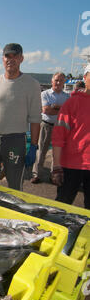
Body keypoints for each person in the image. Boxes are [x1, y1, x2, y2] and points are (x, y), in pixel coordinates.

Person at [0, 43, 42, 191]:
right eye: (7, 56)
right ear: (2, 59)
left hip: (15, 141)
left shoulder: (32, 85)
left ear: (21, 59)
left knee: (14, 185)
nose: (10, 60)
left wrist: (33, 146)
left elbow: (35, 119)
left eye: (15, 56)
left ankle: (13, 213)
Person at [51, 64, 90, 209]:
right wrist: (56, 166)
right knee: (62, 206)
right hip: (71, 165)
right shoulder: (72, 103)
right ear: (85, 78)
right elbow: (58, 136)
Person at [31, 72, 69, 183]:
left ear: (64, 82)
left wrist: (55, 107)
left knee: (56, 153)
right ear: (52, 81)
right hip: (46, 126)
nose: (58, 82)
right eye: (56, 80)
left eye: (61, 80)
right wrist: (61, 109)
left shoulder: (67, 96)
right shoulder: (45, 94)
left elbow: (69, 112)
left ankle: (54, 175)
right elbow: (46, 110)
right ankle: (36, 174)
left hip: (60, 127)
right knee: (41, 151)